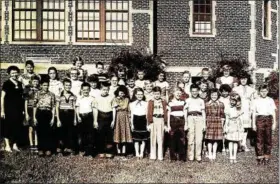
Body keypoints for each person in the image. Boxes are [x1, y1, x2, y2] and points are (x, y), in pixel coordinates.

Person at [1, 66, 24, 152]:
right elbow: (2, 97)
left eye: (15, 73)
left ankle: (14, 144)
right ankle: (7, 145)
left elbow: (21, 98)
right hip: (8, 109)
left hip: (18, 109)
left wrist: (22, 110)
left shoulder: (20, 83)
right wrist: (2, 111)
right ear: (9, 74)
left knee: (17, 126)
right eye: (12, 73)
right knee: (8, 126)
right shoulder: (6, 83)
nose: (14, 74)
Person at [252, 84, 277, 165]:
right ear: (259, 92)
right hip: (259, 119)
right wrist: (253, 124)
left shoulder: (270, 100)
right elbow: (253, 113)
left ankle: (267, 157)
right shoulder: (256, 100)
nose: (263, 93)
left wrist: (274, 123)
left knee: (268, 139)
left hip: (268, 119)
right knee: (259, 139)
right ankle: (260, 157)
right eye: (262, 91)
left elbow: (273, 112)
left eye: (265, 91)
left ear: (267, 91)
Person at [233, 71, 256, 152]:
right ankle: (239, 144)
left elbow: (253, 101)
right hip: (239, 109)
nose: (243, 80)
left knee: (245, 128)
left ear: (247, 79)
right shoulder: (235, 89)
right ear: (239, 80)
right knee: (239, 127)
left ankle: (244, 143)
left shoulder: (251, 89)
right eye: (242, 79)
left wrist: (252, 111)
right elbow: (233, 100)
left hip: (247, 109)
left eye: (245, 79)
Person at [34, 77, 56, 156]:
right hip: (40, 113)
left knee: (48, 132)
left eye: (47, 85)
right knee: (40, 131)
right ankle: (41, 149)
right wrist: (34, 117)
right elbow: (35, 106)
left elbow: (53, 106)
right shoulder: (37, 93)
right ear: (41, 85)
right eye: (44, 85)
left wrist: (53, 118)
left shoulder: (52, 94)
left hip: (48, 113)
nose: (46, 87)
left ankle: (48, 149)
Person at [184, 84, 206, 162]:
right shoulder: (187, 100)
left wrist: (204, 124)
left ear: (198, 91)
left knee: (199, 138)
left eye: (196, 91)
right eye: (193, 91)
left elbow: (203, 112)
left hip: (199, 118)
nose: (194, 93)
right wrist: (186, 123)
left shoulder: (201, 101)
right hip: (190, 118)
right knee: (191, 137)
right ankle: (191, 156)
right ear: (190, 91)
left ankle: (198, 156)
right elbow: (185, 112)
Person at [93, 82, 115, 159]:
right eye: (103, 89)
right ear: (100, 90)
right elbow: (95, 110)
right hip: (101, 117)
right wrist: (95, 121)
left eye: (107, 90)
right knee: (100, 134)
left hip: (109, 117)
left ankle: (109, 152)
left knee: (109, 135)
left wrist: (113, 120)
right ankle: (101, 151)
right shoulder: (97, 98)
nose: (105, 91)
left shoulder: (112, 97)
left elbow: (114, 109)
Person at [147, 86, 168, 161]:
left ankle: (160, 155)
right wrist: (149, 123)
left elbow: (166, 112)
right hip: (153, 119)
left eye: (158, 94)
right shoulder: (151, 101)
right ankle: (153, 155)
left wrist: (166, 124)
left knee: (160, 138)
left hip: (161, 119)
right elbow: (149, 113)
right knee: (153, 138)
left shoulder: (163, 101)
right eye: (155, 94)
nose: (157, 95)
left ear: (160, 94)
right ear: (153, 94)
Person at [56, 78, 77, 154]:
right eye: (66, 85)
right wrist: (58, 119)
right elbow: (57, 107)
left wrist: (75, 119)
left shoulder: (73, 96)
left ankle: (68, 148)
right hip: (62, 114)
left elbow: (75, 107)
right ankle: (61, 147)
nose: (68, 86)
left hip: (70, 114)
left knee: (70, 131)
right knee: (62, 131)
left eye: (69, 85)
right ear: (63, 86)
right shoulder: (59, 95)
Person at [111, 85, 133, 157]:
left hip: (125, 117)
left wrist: (130, 120)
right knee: (118, 133)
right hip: (118, 117)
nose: (122, 94)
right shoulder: (115, 99)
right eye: (121, 93)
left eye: (123, 93)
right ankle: (118, 151)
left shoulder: (127, 99)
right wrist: (113, 120)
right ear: (118, 92)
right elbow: (114, 110)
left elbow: (129, 110)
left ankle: (124, 151)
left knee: (125, 133)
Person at [167, 87, 187, 162]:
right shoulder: (170, 102)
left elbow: (185, 113)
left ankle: (182, 157)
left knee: (182, 139)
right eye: (177, 92)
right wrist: (168, 125)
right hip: (173, 120)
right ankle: (173, 157)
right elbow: (168, 114)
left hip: (181, 120)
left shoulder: (183, 102)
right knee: (172, 139)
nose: (178, 94)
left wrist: (186, 123)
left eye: (180, 93)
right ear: (173, 93)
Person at [205, 88, 225, 161]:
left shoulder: (221, 104)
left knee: (216, 139)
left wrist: (222, 125)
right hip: (209, 122)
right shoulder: (207, 104)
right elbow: (206, 115)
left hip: (218, 122)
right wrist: (206, 124)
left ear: (218, 95)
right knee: (209, 139)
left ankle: (214, 153)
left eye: (215, 95)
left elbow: (222, 116)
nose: (214, 96)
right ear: (210, 95)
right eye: (212, 95)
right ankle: (210, 153)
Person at [75, 82, 95, 156]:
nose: (85, 91)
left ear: (89, 90)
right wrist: (78, 116)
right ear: (81, 90)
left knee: (90, 135)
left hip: (89, 117)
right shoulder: (79, 98)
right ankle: (82, 150)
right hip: (81, 117)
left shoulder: (92, 98)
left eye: (87, 90)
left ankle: (90, 152)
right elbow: (77, 108)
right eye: (84, 90)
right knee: (82, 134)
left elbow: (94, 109)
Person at [224, 93, 244, 163]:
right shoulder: (228, 109)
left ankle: (234, 156)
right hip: (230, 125)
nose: (232, 102)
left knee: (235, 141)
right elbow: (226, 119)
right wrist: (226, 127)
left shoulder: (239, 109)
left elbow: (241, 119)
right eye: (231, 101)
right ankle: (230, 156)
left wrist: (242, 127)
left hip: (237, 126)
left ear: (237, 101)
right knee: (230, 141)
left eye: (234, 101)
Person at [130, 88, 149, 158]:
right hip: (136, 120)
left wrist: (147, 124)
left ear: (143, 95)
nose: (140, 96)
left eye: (141, 94)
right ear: (135, 95)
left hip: (143, 120)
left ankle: (141, 153)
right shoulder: (132, 104)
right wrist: (132, 124)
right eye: (138, 94)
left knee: (143, 139)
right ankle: (137, 153)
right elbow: (131, 114)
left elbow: (147, 114)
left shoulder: (146, 103)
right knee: (136, 139)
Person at [24, 75, 40, 152]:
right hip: (29, 109)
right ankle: (31, 145)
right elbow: (26, 101)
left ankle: (36, 144)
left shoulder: (39, 90)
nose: (35, 83)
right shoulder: (27, 89)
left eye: (37, 81)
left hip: (37, 110)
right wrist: (26, 113)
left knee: (36, 128)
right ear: (31, 81)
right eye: (34, 81)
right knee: (30, 128)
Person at [219, 84, 232, 154]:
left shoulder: (230, 98)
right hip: (222, 117)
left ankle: (228, 146)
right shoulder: (219, 99)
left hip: (229, 117)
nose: (225, 93)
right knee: (223, 131)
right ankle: (223, 146)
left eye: (226, 91)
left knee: (228, 131)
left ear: (229, 92)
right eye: (223, 91)